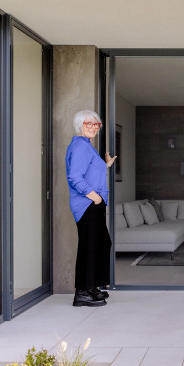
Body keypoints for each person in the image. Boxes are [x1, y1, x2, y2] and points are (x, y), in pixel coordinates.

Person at [65, 110, 117, 307]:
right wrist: (94, 196)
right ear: (80, 124)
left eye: (97, 125)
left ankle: (92, 286)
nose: (94, 127)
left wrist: (106, 165)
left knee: (101, 244)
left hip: (93, 203)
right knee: (90, 247)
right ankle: (82, 293)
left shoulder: (87, 147)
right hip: (87, 204)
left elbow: (90, 172)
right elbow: (75, 177)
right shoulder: (80, 147)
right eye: (90, 124)